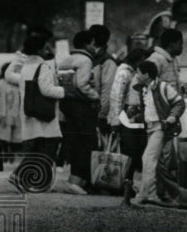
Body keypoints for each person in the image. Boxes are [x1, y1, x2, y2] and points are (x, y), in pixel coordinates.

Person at [11, 29, 66, 192]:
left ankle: (29, 180)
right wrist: (64, 91)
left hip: (29, 111)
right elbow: (46, 90)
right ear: (41, 49)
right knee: (48, 149)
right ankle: (25, 177)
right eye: (46, 46)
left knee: (36, 148)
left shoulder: (26, 66)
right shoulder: (43, 67)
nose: (48, 49)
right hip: (44, 113)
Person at [133, 59, 185, 205]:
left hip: (161, 128)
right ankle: (172, 196)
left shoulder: (163, 87)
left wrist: (172, 117)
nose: (136, 75)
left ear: (146, 75)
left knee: (148, 158)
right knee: (161, 165)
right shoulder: (143, 89)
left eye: (138, 73)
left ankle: (145, 194)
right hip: (151, 128)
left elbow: (179, 103)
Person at [56, 30, 100, 191]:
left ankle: (74, 179)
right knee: (87, 142)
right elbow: (82, 84)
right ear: (86, 44)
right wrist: (95, 96)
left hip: (66, 104)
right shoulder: (86, 60)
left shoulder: (66, 60)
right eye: (93, 44)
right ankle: (81, 180)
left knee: (74, 141)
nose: (95, 48)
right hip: (82, 106)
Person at [108, 47, 150, 189]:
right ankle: (123, 184)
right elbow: (117, 96)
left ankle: (126, 184)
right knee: (128, 152)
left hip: (131, 117)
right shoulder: (124, 73)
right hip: (126, 117)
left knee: (131, 152)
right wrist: (116, 119)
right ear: (137, 60)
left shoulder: (132, 73)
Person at [0, 62, 22, 159]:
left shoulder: (17, 84)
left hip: (16, 113)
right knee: (3, 134)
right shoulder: (0, 84)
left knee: (15, 134)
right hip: (3, 114)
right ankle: (6, 153)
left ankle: (12, 153)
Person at [89, 24, 117, 135]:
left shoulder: (107, 61)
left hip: (97, 112)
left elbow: (108, 90)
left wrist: (102, 115)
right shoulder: (91, 57)